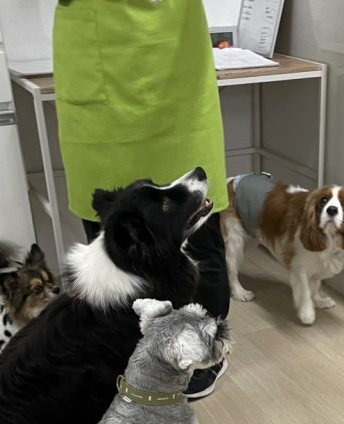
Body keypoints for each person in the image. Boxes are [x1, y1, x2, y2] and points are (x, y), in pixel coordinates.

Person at [53, 0, 230, 400]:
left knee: (196, 229)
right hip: (96, 60)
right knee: (113, 241)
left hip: (175, 64)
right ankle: (128, 352)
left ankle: (204, 352)